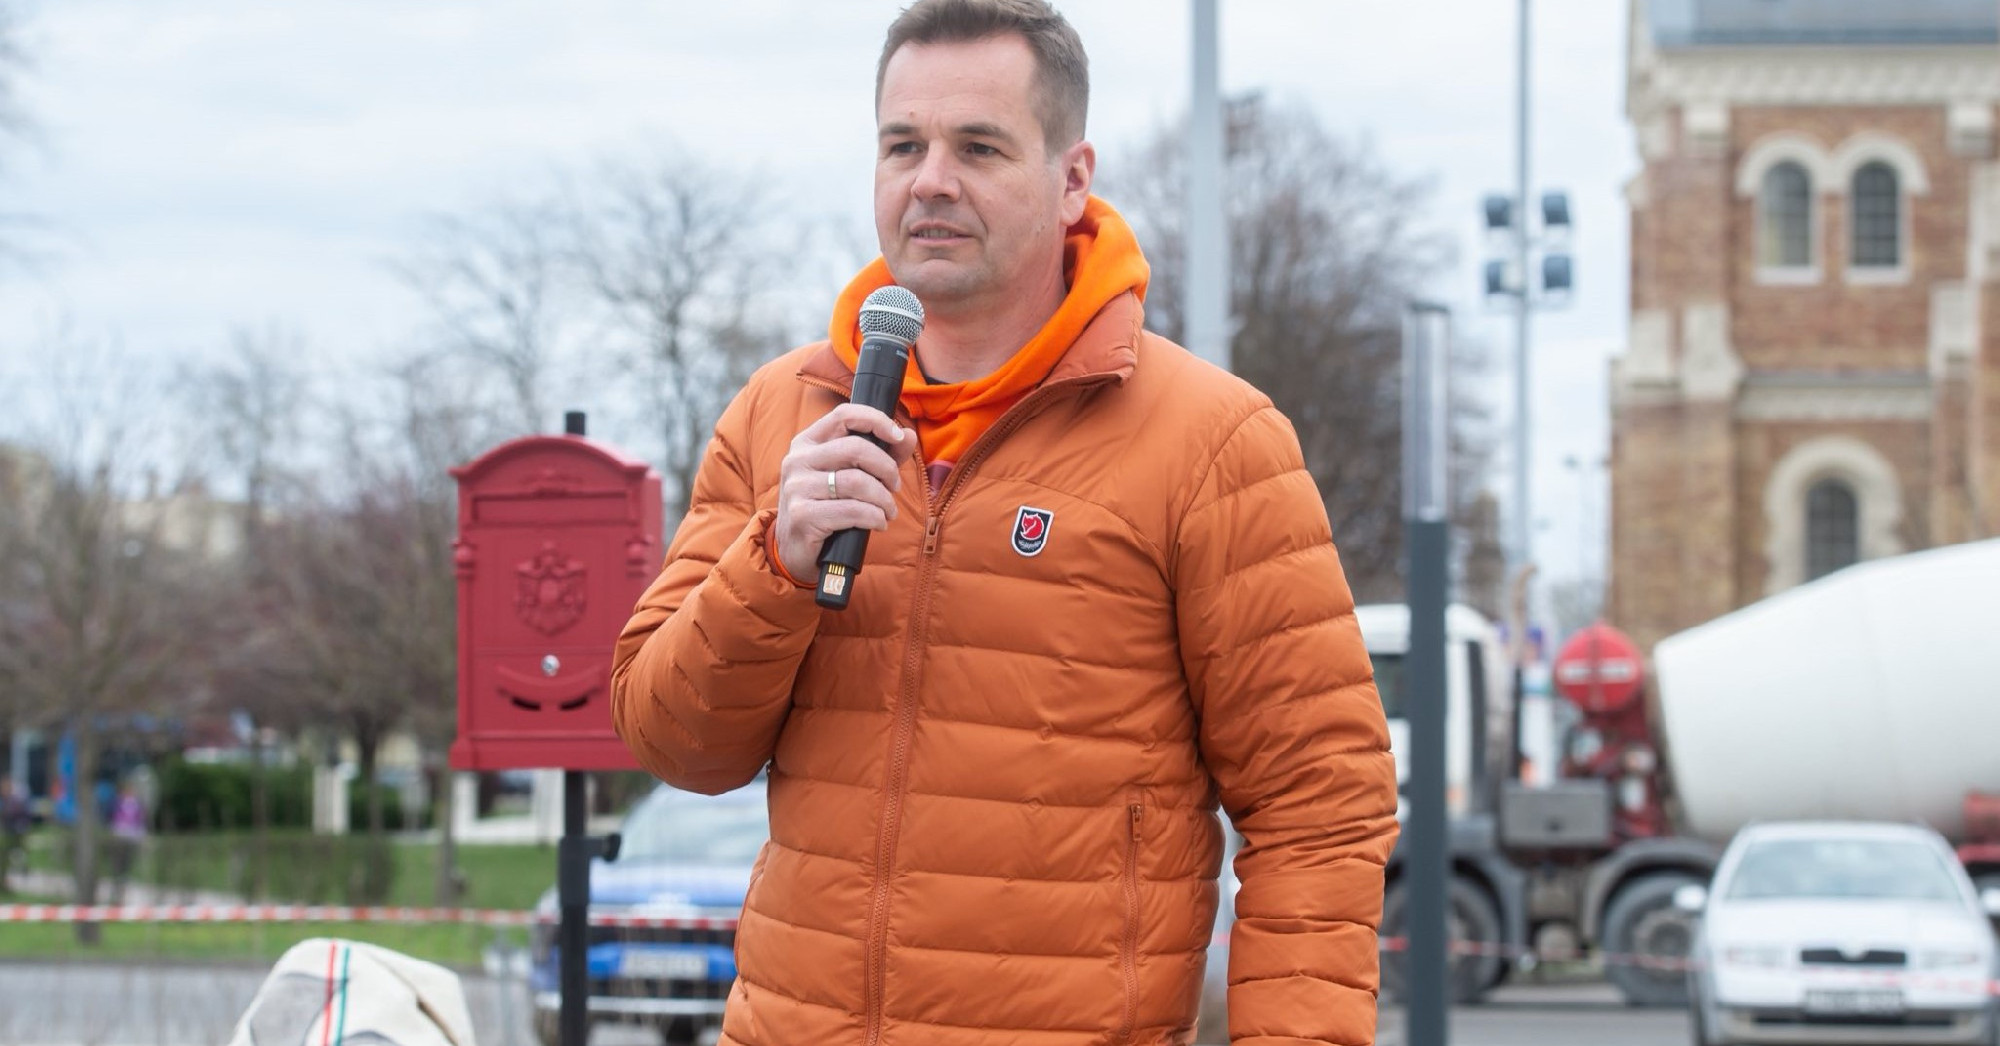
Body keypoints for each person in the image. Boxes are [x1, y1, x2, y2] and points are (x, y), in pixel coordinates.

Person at [610, 2, 1399, 1043]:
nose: (930, 180)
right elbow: (674, 742)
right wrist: (774, 564)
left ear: (1072, 179)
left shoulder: (1213, 443)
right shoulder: (780, 415)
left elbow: (1319, 806)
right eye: (903, 145)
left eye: (978, 147)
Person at [106, 780, 147, 904]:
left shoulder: (137, 805)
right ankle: (117, 886)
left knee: (128, 862)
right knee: (118, 863)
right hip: (120, 835)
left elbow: (140, 820)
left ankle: (124, 883)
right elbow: (112, 818)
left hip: (132, 837)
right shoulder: (117, 803)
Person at [0, 779, 31, 893]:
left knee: (17, 852)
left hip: (16, 831)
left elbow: (17, 815)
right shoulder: (6, 800)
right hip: (9, 831)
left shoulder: (14, 800)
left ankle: (23, 869)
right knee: (10, 854)